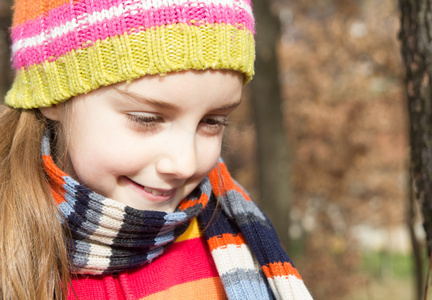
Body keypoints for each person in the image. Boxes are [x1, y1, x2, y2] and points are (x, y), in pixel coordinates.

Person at [0, 0, 313, 299]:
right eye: (147, 119)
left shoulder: (230, 242)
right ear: (54, 98)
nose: (185, 163)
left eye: (212, 122)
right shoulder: (12, 249)